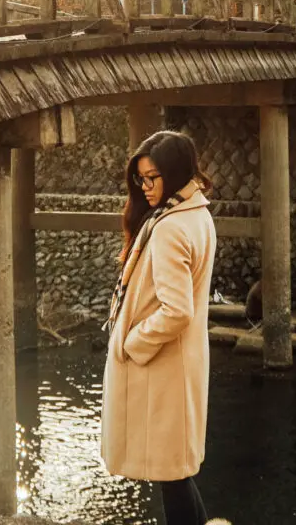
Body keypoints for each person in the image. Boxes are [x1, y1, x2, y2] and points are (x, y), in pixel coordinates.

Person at [101, 130, 218, 525]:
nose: (145, 187)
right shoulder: (197, 214)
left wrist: (134, 342)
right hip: (182, 362)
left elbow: (177, 310)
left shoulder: (169, 227)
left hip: (165, 367)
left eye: (153, 177)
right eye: (140, 179)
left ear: (174, 171)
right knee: (176, 472)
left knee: (172, 475)